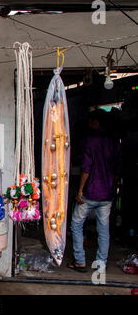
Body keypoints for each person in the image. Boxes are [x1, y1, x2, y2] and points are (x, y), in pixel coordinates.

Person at [67, 109, 120, 272]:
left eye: (91, 122)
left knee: (76, 224)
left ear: (96, 122)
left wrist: (80, 190)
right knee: (103, 228)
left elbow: (86, 168)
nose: (89, 125)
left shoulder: (90, 141)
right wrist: (112, 187)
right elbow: (118, 169)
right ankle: (101, 263)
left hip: (90, 192)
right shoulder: (114, 142)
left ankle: (80, 261)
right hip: (107, 194)